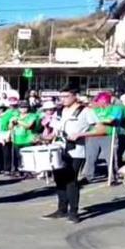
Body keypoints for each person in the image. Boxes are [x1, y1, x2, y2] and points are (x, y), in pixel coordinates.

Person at [43, 86, 104, 223]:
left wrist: (81, 134)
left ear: (75, 96)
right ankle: (62, 209)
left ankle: (73, 212)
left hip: (76, 150)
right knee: (59, 180)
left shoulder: (86, 111)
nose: (63, 100)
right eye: (61, 97)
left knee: (71, 181)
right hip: (58, 149)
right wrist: (47, 137)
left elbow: (101, 129)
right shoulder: (59, 111)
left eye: (66, 96)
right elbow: (54, 131)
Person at [84, 92, 124, 184]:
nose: (96, 103)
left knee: (110, 157)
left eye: (98, 101)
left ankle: (113, 176)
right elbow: (89, 119)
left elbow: (110, 120)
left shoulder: (116, 109)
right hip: (93, 135)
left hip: (108, 134)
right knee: (90, 157)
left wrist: (98, 121)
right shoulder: (94, 110)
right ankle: (88, 176)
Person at [8, 101, 39, 177]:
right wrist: (12, 123)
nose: (23, 109)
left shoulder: (32, 116)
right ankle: (20, 170)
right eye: (21, 107)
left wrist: (18, 121)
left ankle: (29, 171)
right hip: (17, 139)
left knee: (28, 156)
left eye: (25, 107)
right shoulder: (15, 116)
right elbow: (10, 127)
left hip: (28, 139)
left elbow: (28, 125)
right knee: (18, 156)